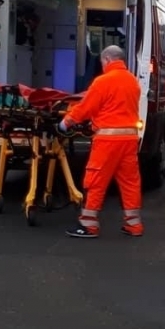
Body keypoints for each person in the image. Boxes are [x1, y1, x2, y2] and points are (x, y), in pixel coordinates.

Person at [60, 45, 144, 239]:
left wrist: (65, 123)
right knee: (130, 182)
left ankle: (89, 225)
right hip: (129, 139)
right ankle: (134, 225)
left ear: (107, 59)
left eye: (102, 63)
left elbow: (85, 108)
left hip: (108, 140)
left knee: (95, 180)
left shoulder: (103, 81)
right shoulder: (133, 82)